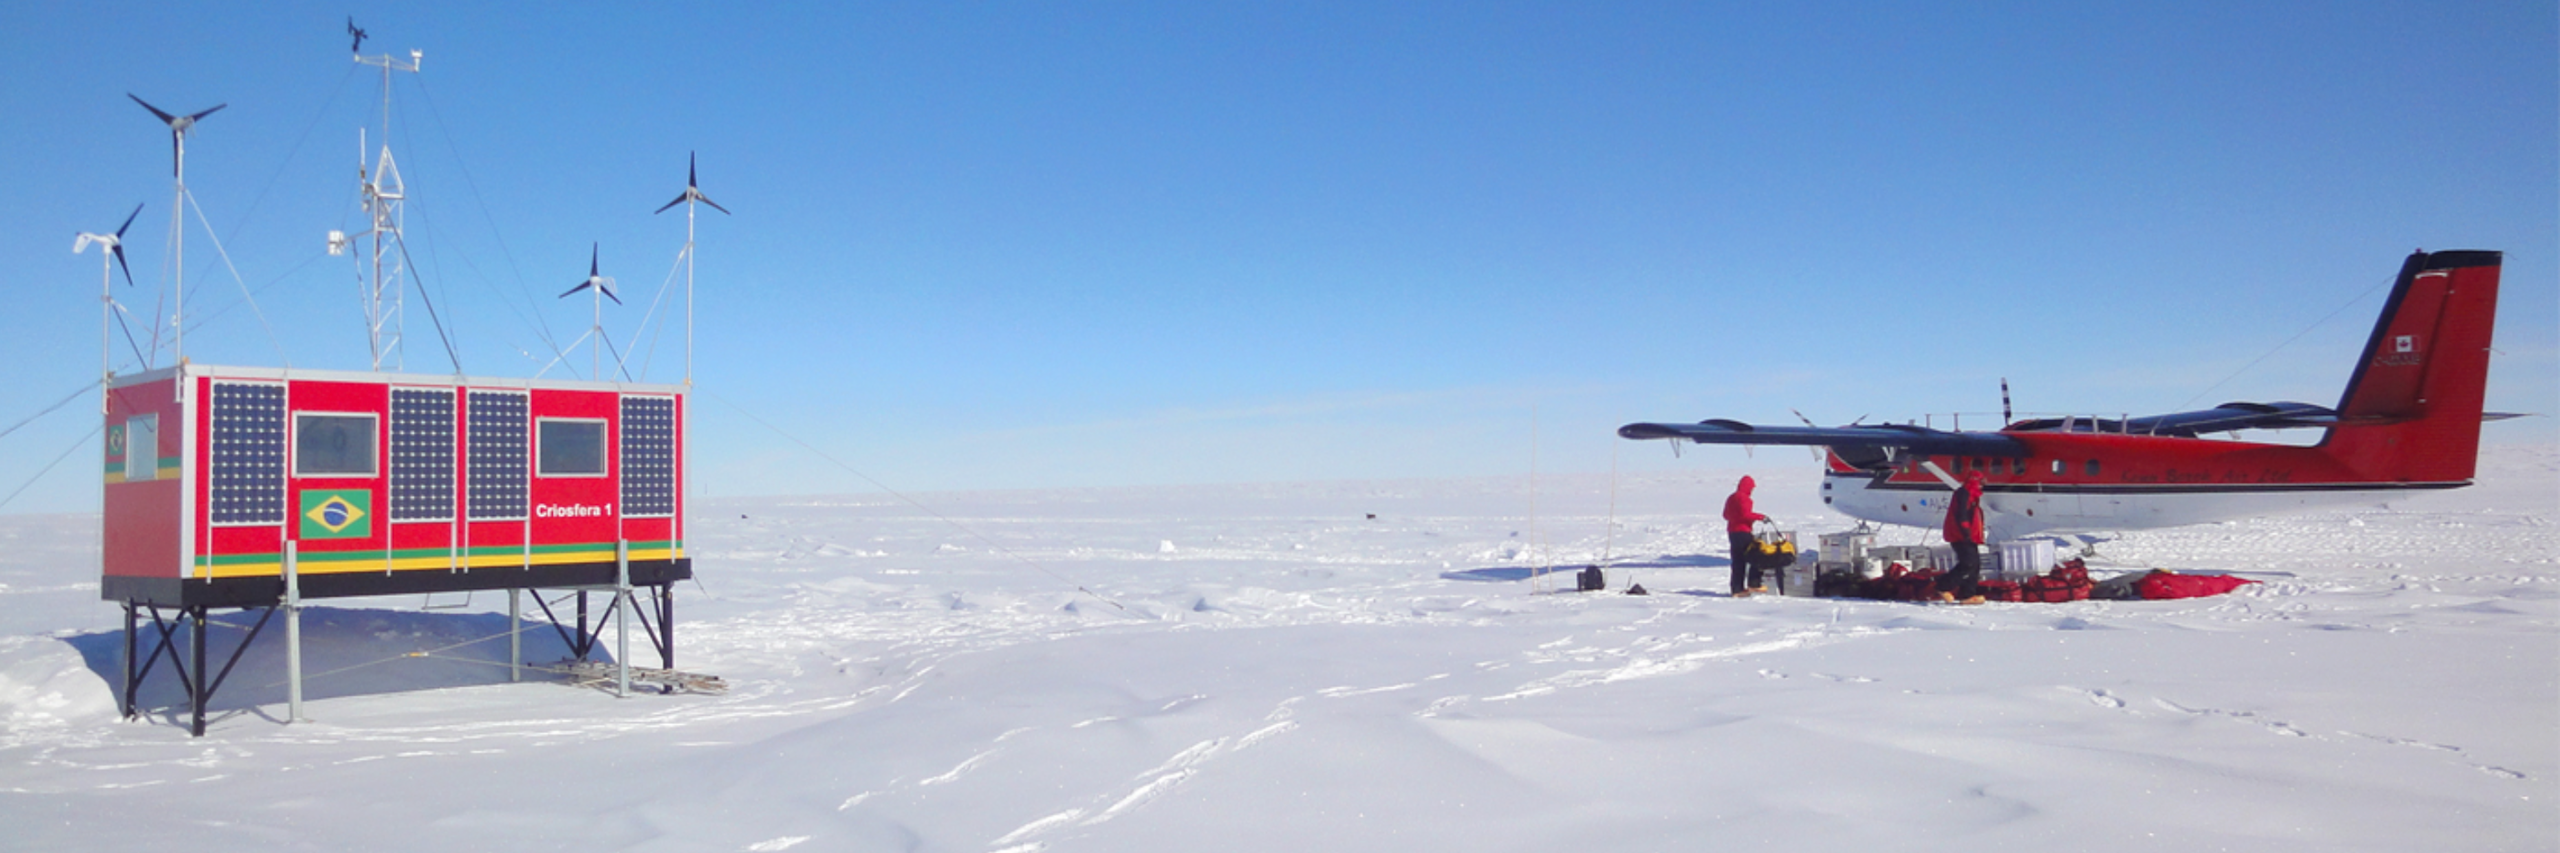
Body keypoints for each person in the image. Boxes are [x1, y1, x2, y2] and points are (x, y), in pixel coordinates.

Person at [1939, 471, 1987, 604]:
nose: (1982, 485)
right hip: (1960, 534)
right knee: (1968, 563)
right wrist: (1966, 531)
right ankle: (1943, 586)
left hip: (1969, 534)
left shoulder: (1972, 494)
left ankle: (1968, 594)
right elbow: (1961, 513)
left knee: (1975, 564)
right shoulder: (1963, 493)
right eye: (1980, 482)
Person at [1723, 475, 1770, 596]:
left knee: (1738, 561)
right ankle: (1754, 584)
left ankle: (1737, 589)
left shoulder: (1731, 497)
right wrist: (1760, 517)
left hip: (1732, 532)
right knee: (1756, 556)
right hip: (1743, 532)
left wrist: (1735, 519)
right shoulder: (1745, 499)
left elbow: (1725, 515)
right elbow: (1745, 514)